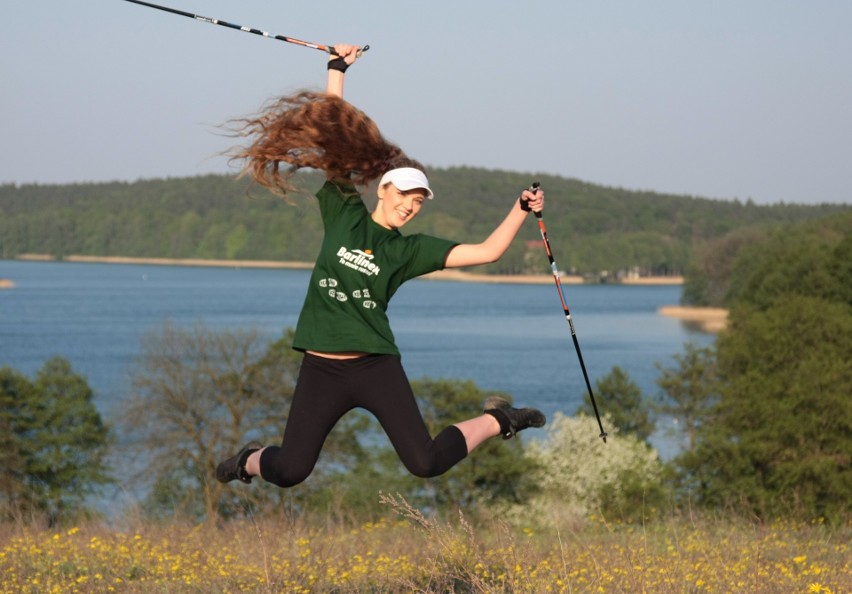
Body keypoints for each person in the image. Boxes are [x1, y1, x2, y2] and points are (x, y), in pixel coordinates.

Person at [217, 44, 546, 488]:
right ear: (384, 189)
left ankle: (497, 420)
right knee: (292, 470)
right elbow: (333, 133)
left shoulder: (408, 251)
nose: (410, 207)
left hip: (374, 367)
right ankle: (249, 461)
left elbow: (487, 252)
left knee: (425, 462)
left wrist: (520, 208)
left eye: (418, 202)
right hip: (321, 368)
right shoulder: (344, 211)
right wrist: (337, 69)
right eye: (404, 196)